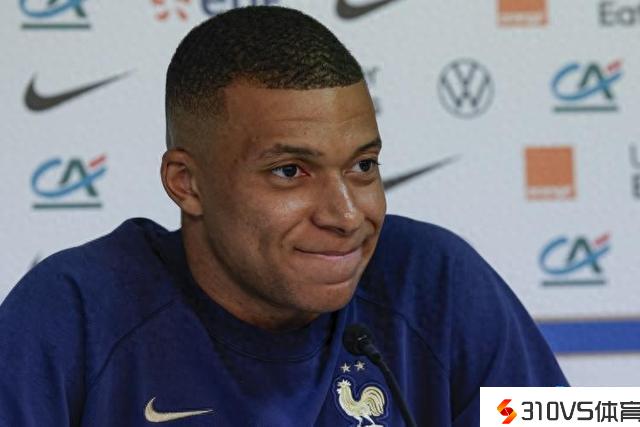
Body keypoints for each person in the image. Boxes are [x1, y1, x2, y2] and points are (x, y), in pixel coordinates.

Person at [0, 6, 567, 427]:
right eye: (290, 171)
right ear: (186, 183)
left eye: (363, 166)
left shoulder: (434, 282)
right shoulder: (71, 314)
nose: (346, 214)